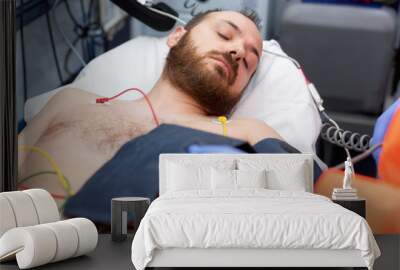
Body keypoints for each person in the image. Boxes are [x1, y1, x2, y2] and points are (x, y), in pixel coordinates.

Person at [18, 9, 310, 222]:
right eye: (224, 34)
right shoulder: (72, 103)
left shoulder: (246, 132)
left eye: (249, 61)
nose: (236, 51)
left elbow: (308, 200)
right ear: (176, 37)